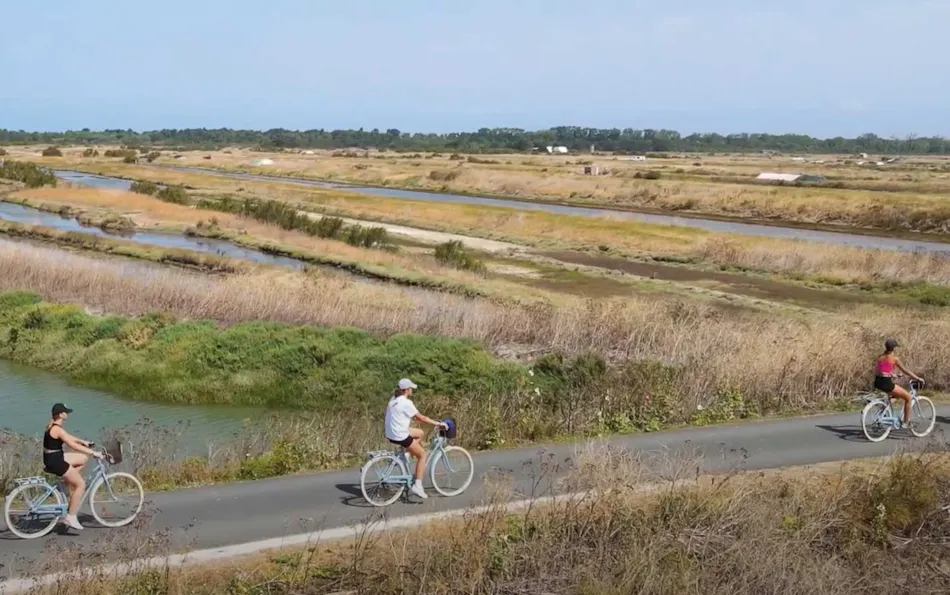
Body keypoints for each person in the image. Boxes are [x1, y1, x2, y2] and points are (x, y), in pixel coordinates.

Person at [43, 403, 103, 530]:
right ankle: (71, 517)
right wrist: (94, 453)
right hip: (56, 461)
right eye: (65, 412)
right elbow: (73, 445)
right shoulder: (57, 429)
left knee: (82, 458)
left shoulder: (53, 426)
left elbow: (68, 437)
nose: (67, 414)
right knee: (81, 485)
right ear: (60, 414)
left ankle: (66, 483)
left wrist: (83, 442)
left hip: (53, 458)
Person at [384, 378, 446, 500]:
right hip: (400, 435)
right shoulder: (406, 403)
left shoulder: (393, 400)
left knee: (420, 433)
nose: (412, 390)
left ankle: (406, 454)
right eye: (411, 388)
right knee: (422, 455)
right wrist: (437, 423)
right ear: (406, 390)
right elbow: (421, 418)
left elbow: (413, 418)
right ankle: (418, 485)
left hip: (391, 433)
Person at [874, 339, 923, 429]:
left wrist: (894, 375)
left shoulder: (880, 357)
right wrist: (917, 378)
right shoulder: (894, 359)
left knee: (896, 395)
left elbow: (881, 371)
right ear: (894, 348)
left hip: (878, 382)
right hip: (887, 383)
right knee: (908, 397)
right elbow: (905, 370)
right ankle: (906, 423)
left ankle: (884, 407)